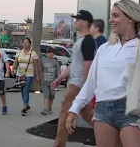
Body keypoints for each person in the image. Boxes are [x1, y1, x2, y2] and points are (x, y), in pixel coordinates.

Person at [65, 0, 140, 147]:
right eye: (111, 16)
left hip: (131, 110)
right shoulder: (105, 48)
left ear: (130, 17)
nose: (111, 20)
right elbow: (91, 83)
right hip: (102, 111)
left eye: (116, 16)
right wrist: (74, 108)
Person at [51, 10, 97, 147]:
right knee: (91, 117)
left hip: (77, 86)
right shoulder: (81, 40)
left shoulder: (88, 41)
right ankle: (112, 134)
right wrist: (60, 78)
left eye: (78, 19)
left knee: (64, 115)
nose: (75, 22)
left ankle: (59, 145)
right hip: (77, 85)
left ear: (85, 22)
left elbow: (88, 66)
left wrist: (84, 88)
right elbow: (74, 64)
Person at [11, 38, 40, 116]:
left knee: (26, 90)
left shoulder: (33, 54)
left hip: (29, 75)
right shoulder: (19, 52)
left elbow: (36, 66)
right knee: (22, 90)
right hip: (20, 74)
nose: (25, 44)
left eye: (27, 42)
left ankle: (24, 108)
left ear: (30, 44)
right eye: (24, 42)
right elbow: (15, 62)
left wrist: (37, 76)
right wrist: (13, 69)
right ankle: (26, 105)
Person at [90, 19, 108, 109]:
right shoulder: (105, 41)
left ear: (96, 28)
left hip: (98, 79)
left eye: (91, 26)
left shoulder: (99, 43)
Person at [40, 47, 61, 115]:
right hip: (44, 82)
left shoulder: (56, 62)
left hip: (53, 82)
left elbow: (58, 72)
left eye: (50, 53)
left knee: (51, 96)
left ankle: (49, 108)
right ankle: (45, 109)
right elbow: (41, 70)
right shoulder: (43, 61)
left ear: (53, 54)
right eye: (48, 53)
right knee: (46, 95)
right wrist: (39, 78)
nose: (49, 54)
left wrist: (59, 79)